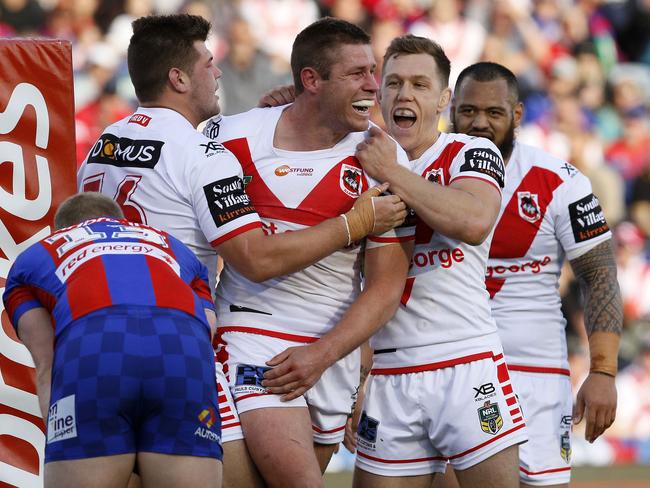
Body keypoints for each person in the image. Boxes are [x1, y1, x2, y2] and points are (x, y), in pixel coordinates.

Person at [76, 14, 406, 487]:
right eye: (209, 64)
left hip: (99, 339)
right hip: (183, 343)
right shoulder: (206, 150)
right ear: (179, 77)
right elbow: (256, 257)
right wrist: (355, 223)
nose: (219, 73)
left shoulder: (103, 144)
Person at [202, 17, 415, 488]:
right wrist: (351, 224)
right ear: (311, 80)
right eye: (357, 73)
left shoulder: (380, 157)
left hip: (330, 351)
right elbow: (250, 260)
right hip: (253, 331)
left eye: (373, 70)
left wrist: (324, 356)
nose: (373, 85)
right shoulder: (230, 138)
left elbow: (385, 287)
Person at [351, 35, 527, 487]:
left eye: (419, 84)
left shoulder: (471, 152)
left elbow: (473, 220)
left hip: (464, 361)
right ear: (379, 93)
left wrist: (392, 172)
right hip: (390, 372)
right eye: (393, 82)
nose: (404, 94)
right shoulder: (355, 160)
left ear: (443, 99)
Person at [447, 61, 623, 487]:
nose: (479, 124)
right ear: (450, 109)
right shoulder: (423, 170)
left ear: (518, 115)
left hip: (535, 371)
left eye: (494, 113)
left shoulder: (561, 182)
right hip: (450, 364)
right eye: (468, 111)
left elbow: (599, 275)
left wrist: (602, 371)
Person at [2, 192, 222, 488]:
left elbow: (47, 364)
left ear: (63, 228)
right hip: (181, 354)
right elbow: (207, 329)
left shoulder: (38, 253)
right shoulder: (173, 245)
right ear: (124, 223)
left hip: (98, 350)